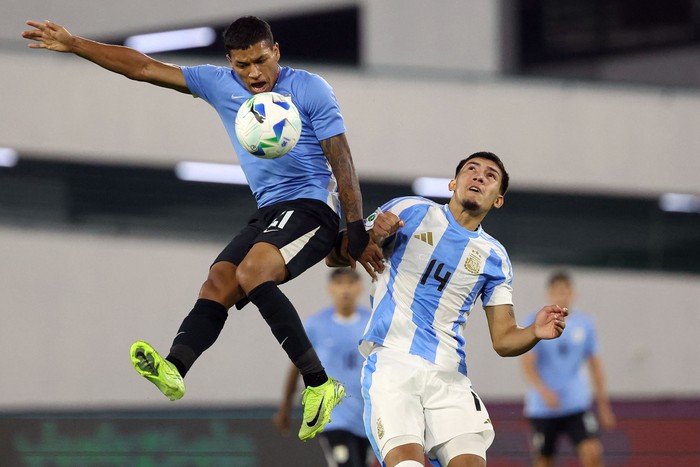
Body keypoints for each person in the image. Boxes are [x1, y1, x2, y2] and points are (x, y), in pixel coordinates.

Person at [22, 16, 384, 441]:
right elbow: (142, 67)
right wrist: (74, 43)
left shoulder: (310, 88)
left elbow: (342, 159)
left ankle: (320, 385)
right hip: (268, 212)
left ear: (277, 52)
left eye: (261, 61)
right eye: (243, 64)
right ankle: (175, 369)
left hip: (312, 208)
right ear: (230, 62)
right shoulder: (218, 83)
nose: (253, 73)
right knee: (219, 281)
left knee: (251, 274)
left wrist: (355, 226)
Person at [327, 151, 569, 467]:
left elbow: (504, 339)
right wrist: (372, 235)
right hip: (392, 365)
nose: (480, 176)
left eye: (491, 175)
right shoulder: (409, 210)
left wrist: (534, 332)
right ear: (454, 183)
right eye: (472, 169)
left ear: (498, 200)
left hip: (448, 377)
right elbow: (334, 257)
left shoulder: (494, 257)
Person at [273, 268, 375, 467]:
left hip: (366, 416)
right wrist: (285, 407)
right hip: (332, 417)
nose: (345, 289)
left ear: (360, 287)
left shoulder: (371, 323)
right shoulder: (316, 326)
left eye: (350, 283)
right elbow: (296, 367)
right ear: (330, 288)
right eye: (340, 283)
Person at [521, 271, 616, 467]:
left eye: (565, 291)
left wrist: (604, 405)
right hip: (543, 408)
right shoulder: (535, 322)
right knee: (544, 460)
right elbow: (527, 365)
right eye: (557, 292)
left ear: (573, 293)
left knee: (593, 452)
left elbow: (595, 366)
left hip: (576, 404)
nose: (561, 296)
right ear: (549, 294)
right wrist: (544, 391)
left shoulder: (585, 324)